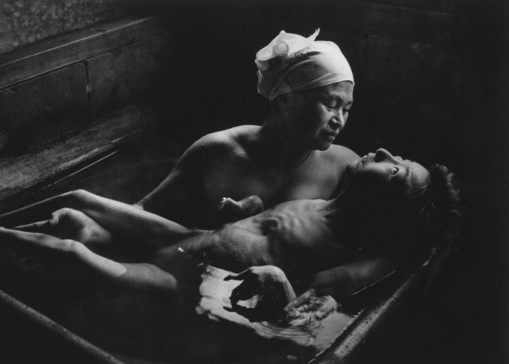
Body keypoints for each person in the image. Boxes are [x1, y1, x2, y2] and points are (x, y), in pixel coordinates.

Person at [0, 149, 461, 323]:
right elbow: (265, 218)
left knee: (71, 248)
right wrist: (249, 207)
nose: (387, 154)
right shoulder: (320, 195)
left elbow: (310, 305)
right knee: (84, 199)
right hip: (193, 235)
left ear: (387, 205)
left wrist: (278, 282)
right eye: (395, 157)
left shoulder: (347, 248)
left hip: (185, 280)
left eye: (396, 171)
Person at [136, 29, 358, 228]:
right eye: (330, 105)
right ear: (285, 100)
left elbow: (379, 242)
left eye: (346, 109)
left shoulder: (344, 167)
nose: (339, 120)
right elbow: (146, 209)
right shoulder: (217, 151)